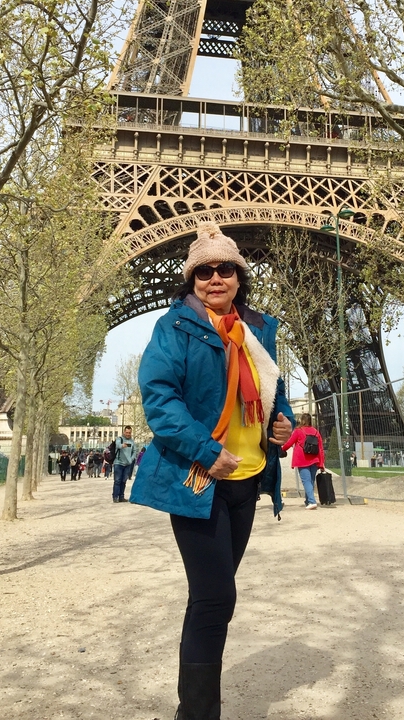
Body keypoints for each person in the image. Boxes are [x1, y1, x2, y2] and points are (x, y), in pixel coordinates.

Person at [130, 220, 294, 720]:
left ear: (240, 276)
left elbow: (272, 392)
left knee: (209, 599)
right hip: (201, 480)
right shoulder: (174, 326)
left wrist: (279, 426)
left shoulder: (258, 328)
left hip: (247, 480)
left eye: (225, 269)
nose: (215, 278)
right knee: (216, 597)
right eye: (204, 271)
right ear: (192, 279)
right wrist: (206, 450)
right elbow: (160, 399)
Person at [281, 413, 325, 509]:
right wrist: (321, 463)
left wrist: (282, 449)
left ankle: (312, 502)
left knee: (306, 481)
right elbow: (321, 448)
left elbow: (290, 442)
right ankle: (308, 500)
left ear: (302, 420)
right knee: (310, 481)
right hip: (314, 459)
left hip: (302, 459)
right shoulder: (316, 432)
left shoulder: (298, 431)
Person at [112, 426, 136, 502]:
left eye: (129, 433)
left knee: (124, 481)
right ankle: (115, 497)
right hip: (118, 463)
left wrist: (131, 459)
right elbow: (118, 445)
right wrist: (122, 445)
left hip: (127, 464)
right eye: (127, 432)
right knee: (117, 481)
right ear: (124, 432)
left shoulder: (132, 441)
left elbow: (134, 451)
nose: (128, 434)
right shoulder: (119, 439)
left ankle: (121, 497)